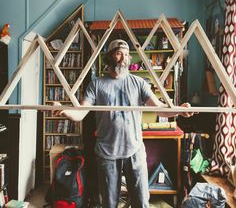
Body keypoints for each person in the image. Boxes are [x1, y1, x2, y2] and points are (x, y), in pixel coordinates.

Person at [53, 39, 193, 208]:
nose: (124, 58)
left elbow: (159, 108)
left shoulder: (139, 83)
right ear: (110, 57)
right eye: (119, 53)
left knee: (141, 201)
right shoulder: (97, 84)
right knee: (109, 203)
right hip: (107, 153)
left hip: (134, 150)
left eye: (127, 55)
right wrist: (64, 110)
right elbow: (81, 112)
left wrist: (178, 109)